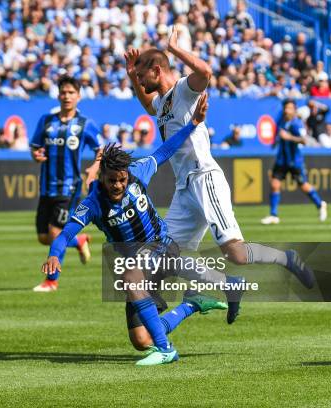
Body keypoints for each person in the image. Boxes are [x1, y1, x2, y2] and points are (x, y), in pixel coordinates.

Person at [119, 29, 315, 323]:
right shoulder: (161, 104)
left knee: (235, 253)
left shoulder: (184, 90)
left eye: (143, 75)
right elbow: (147, 104)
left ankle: (286, 259)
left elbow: (206, 71)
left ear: (157, 70)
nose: (140, 81)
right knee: (165, 253)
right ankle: (227, 286)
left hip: (204, 178)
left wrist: (174, 49)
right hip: (184, 188)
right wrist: (132, 75)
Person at [42, 96, 231, 366]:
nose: (118, 185)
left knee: (130, 276)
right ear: (101, 177)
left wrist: (193, 124)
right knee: (141, 340)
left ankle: (167, 351)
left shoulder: (137, 172)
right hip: (136, 261)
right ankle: (193, 304)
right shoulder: (92, 204)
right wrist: (55, 255)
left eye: (122, 180)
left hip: (162, 246)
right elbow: (64, 235)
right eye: (112, 181)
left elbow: (165, 150)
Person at [30, 75, 103, 292]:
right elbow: (35, 147)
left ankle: (51, 281)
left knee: (55, 233)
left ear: (79, 97)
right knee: (44, 238)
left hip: (69, 188)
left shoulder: (85, 124)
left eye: (71, 93)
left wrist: (94, 167)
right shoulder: (46, 120)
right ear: (58, 95)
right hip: (46, 187)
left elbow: (100, 149)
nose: (67, 96)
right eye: (63, 92)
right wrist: (36, 155)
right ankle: (79, 241)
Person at [261, 100, 327, 225]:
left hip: (294, 161)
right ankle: (273, 215)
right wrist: (276, 141)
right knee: (275, 184)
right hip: (281, 159)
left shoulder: (297, 124)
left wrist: (289, 137)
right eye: (286, 108)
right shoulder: (281, 121)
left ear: (294, 110)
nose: (287, 110)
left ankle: (320, 204)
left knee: (303, 185)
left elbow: (304, 140)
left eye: (290, 108)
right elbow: (278, 136)